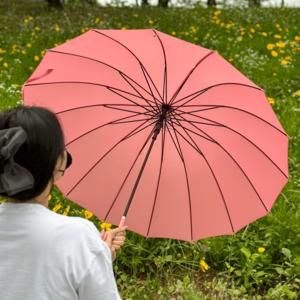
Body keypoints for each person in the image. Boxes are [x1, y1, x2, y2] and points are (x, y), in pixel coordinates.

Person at [0, 105, 127, 300]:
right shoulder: (78, 237)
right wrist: (93, 255)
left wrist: (98, 257)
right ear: (56, 162)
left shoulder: (79, 240)